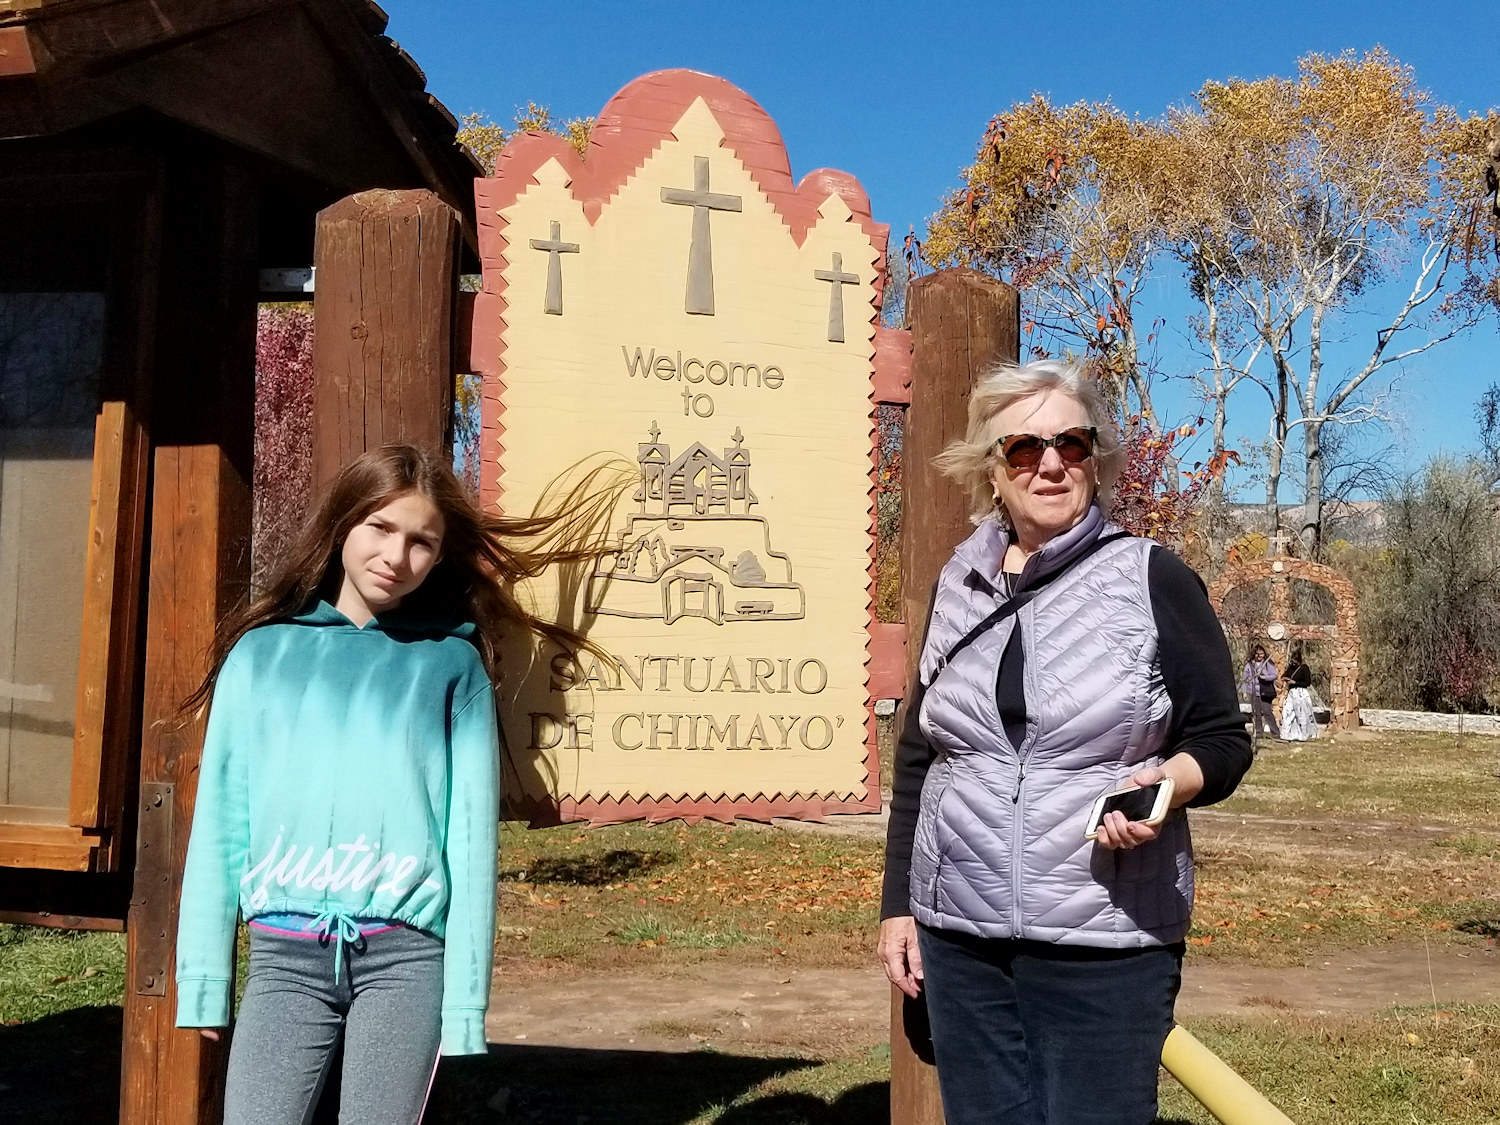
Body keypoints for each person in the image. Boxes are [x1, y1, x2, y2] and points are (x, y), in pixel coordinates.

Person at [174, 444, 614, 1125]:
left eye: (421, 541)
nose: (396, 554)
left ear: (439, 557)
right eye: (380, 528)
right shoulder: (261, 656)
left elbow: (469, 846)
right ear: (344, 525)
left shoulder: (452, 667)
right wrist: (205, 981)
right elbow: (221, 823)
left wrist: (465, 1004)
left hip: (406, 961)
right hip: (283, 959)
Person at [877, 360, 1253, 1125]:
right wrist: (899, 907)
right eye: (1022, 448)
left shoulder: (1151, 577)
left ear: (1097, 458)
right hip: (961, 937)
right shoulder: (960, 581)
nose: (1048, 463)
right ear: (993, 468)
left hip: (1105, 933)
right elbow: (922, 752)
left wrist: (1165, 786)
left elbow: (1221, 739)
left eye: (1070, 444)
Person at [1242, 643, 1280, 740]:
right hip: (1254, 692)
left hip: (1264, 692)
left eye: (1262, 654)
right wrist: (1245, 691)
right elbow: (1245, 679)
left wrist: (1265, 677)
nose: (1260, 656)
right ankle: (1259, 733)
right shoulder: (1249, 665)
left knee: (1267, 712)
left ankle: (1275, 733)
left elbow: (1274, 675)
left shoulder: (1268, 663)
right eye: (1257, 654)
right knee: (1256, 713)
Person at [1280, 644, 1317, 741]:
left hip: (1300, 692)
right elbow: (1284, 675)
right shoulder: (1290, 668)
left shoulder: (1304, 668)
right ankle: (1286, 733)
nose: (1293, 663)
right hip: (1292, 693)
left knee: (1301, 714)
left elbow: (1307, 682)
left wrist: (1295, 682)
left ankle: (1304, 734)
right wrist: (1285, 679)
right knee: (1288, 711)